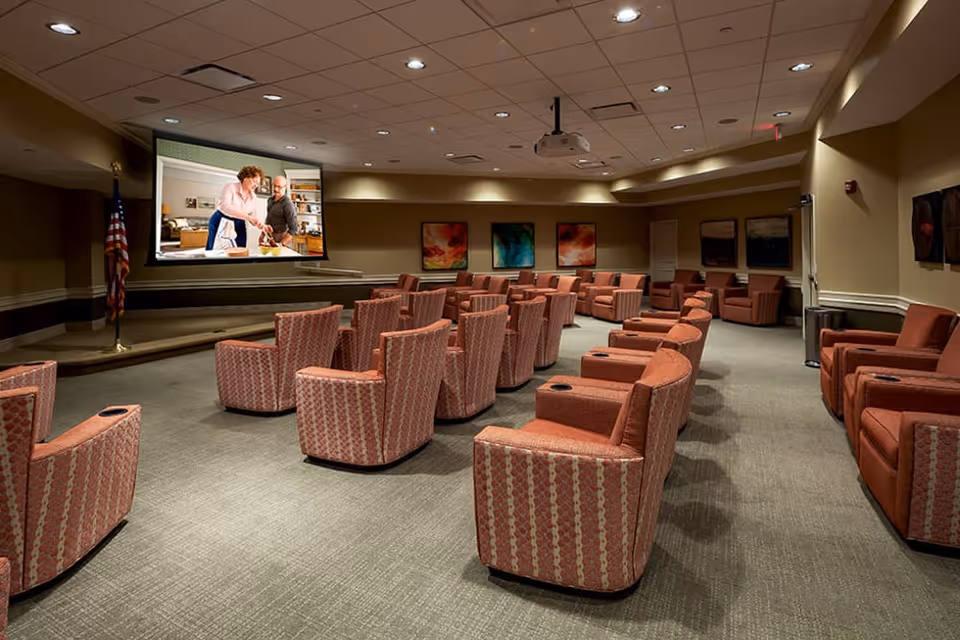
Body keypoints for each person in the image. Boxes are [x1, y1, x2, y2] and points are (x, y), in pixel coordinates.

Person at [205, 165, 266, 251]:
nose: (256, 185)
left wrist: (260, 224)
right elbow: (225, 207)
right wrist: (248, 217)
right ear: (245, 178)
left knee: (240, 251)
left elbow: (253, 217)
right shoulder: (230, 188)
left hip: (239, 223)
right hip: (221, 220)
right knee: (216, 251)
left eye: (258, 183)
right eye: (255, 181)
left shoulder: (253, 197)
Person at [263, 175, 298, 247]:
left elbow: (293, 228)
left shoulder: (288, 204)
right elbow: (268, 219)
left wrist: (281, 245)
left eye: (279, 187)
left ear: (285, 187)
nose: (276, 189)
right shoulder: (270, 200)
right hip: (270, 237)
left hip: (282, 238)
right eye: (274, 186)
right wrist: (262, 235)